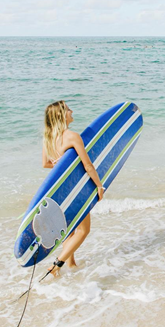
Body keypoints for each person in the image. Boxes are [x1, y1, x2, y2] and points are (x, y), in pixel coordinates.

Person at [41, 100, 105, 277]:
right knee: (84, 230)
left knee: (70, 230)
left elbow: (46, 163)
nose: (72, 111)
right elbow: (88, 165)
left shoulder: (48, 138)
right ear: (62, 115)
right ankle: (57, 264)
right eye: (68, 109)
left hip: (59, 190)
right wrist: (99, 186)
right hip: (76, 189)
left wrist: (60, 164)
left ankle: (71, 264)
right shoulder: (72, 136)